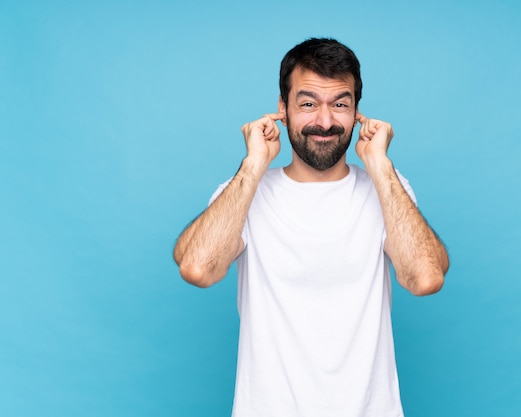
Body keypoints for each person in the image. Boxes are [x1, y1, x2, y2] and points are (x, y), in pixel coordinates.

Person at [173, 37, 449, 417]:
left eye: (340, 104)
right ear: (282, 109)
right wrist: (253, 166)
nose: (324, 121)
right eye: (307, 104)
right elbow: (197, 268)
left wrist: (381, 165)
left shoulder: (387, 190)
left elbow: (425, 278)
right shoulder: (244, 193)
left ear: (357, 114)